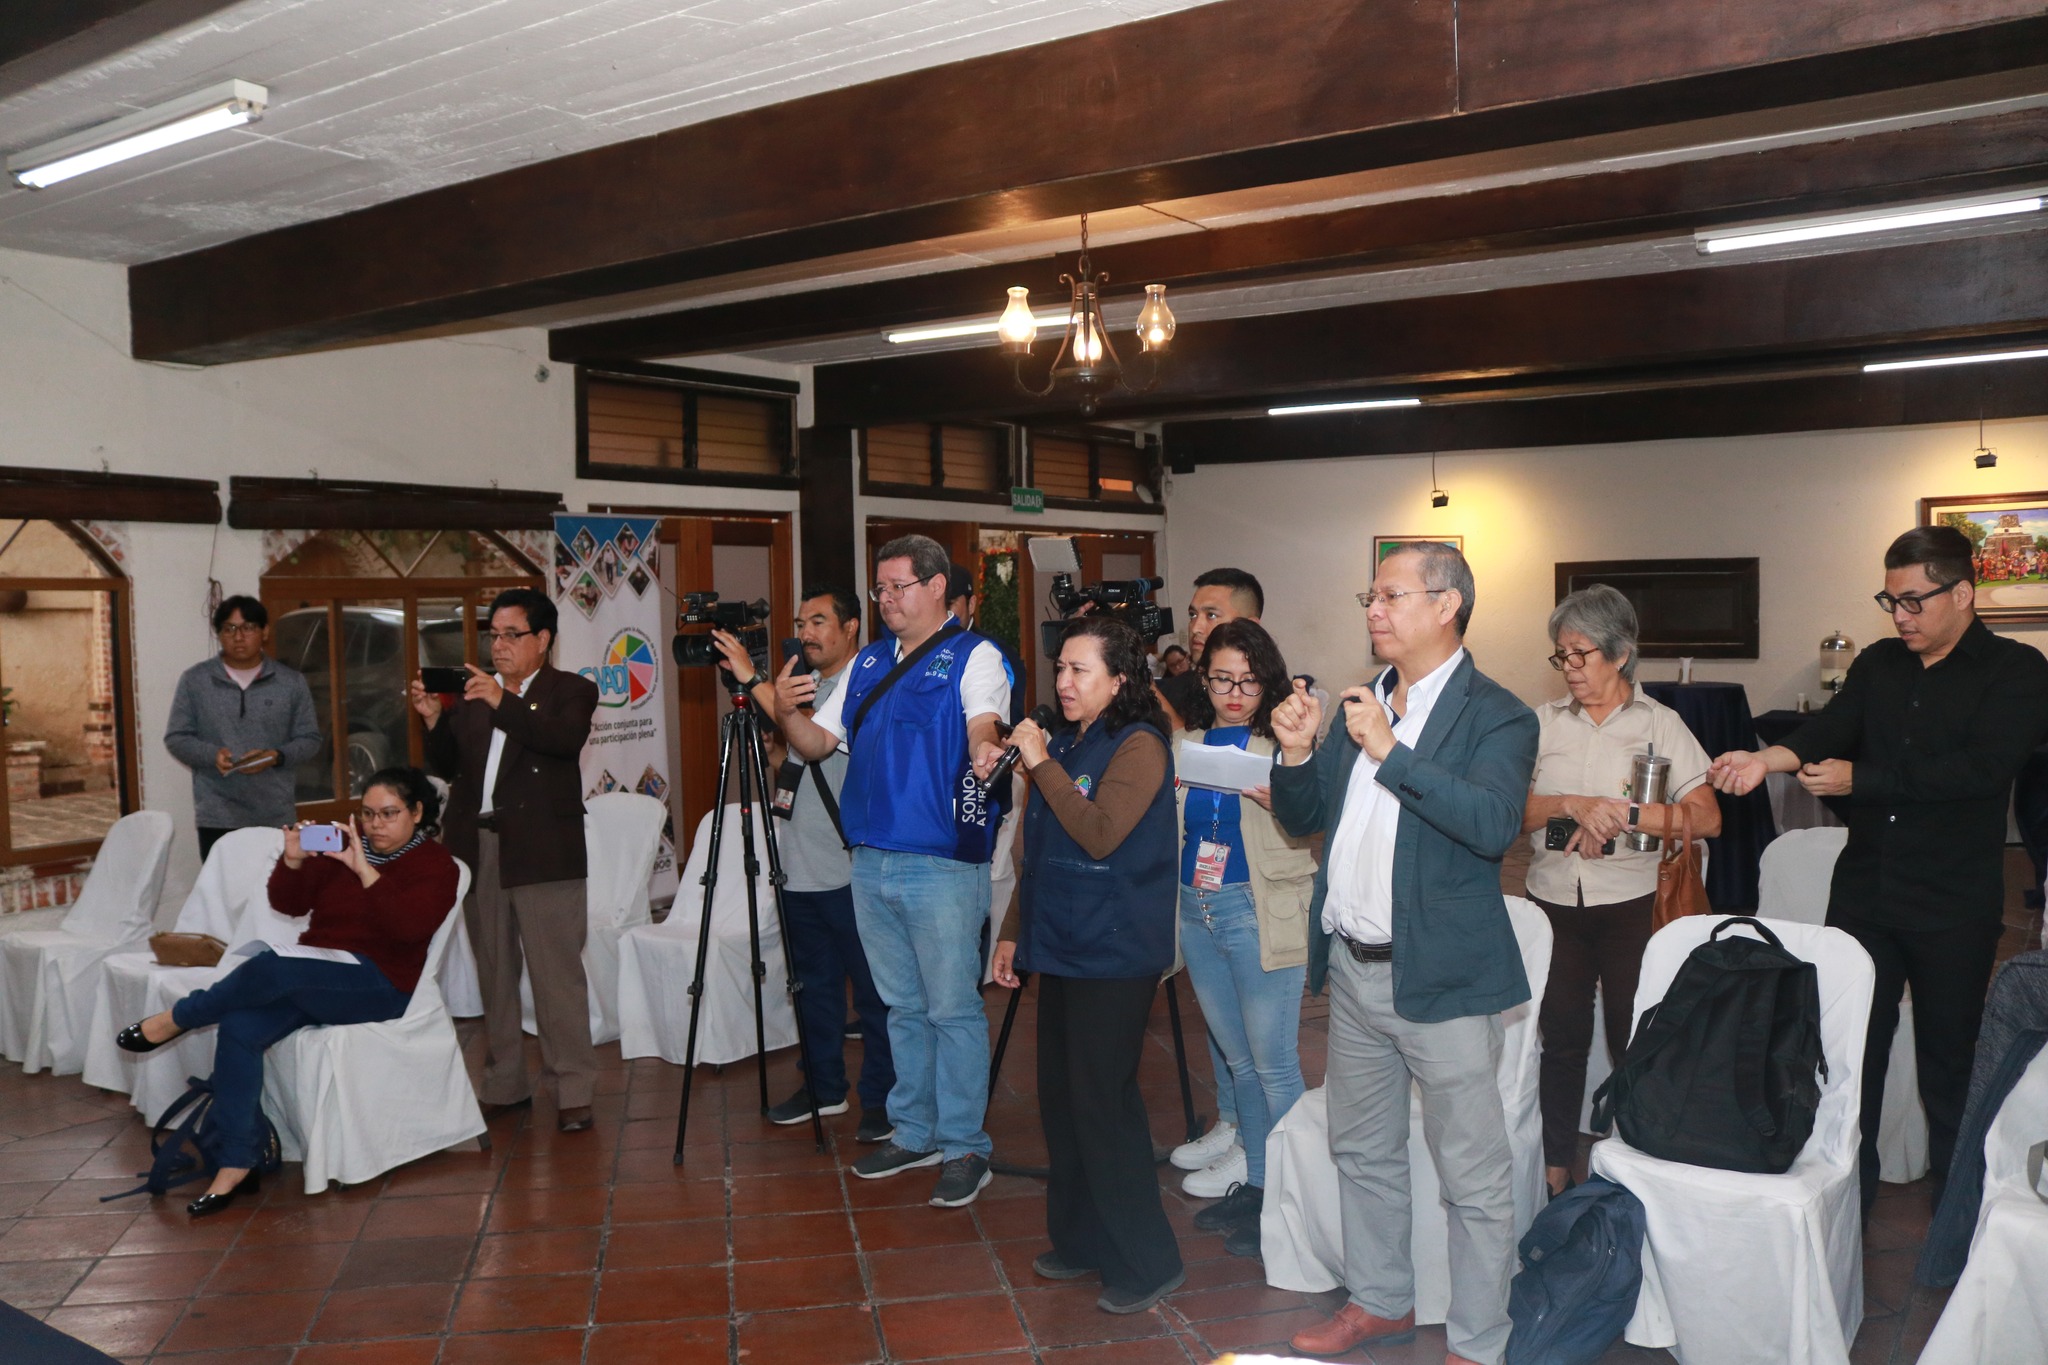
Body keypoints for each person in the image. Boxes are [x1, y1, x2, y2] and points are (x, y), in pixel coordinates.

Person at [1709, 525, 2048, 1214]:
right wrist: (1764, 760)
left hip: (1952, 902)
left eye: (1914, 601)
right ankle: (1847, 1209)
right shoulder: (1880, 664)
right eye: (1890, 600)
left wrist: (1861, 779)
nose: (1900, 616)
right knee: (1849, 1058)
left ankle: (1956, 1219)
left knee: (1950, 1064)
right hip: (1865, 892)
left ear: (1963, 594)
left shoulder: (2017, 669)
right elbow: (1830, 728)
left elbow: (1979, 771)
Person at [1271, 541, 1536, 1365]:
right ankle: (1382, 1300)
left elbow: (1492, 824)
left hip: (1442, 977)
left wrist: (1391, 751)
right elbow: (1306, 818)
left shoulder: (1499, 714)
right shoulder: (1365, 700)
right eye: (1371, 597)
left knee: (1473, 1175)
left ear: (1447, 605)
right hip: (1354, 969)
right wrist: (1296, 751)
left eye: (1391, 595)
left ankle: (1479, 1342)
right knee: (1361, 1148)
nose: (1374, 610)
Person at [775, 534, 1011, 1207]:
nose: (885, 599)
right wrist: (784, 706)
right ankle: (915, 1130)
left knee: (951, 1007)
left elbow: (983, 721)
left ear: (936, 587)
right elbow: (817, 743)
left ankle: (965, 1146)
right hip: (869, 860)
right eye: (879, 588)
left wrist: (986, 746)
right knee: (900, 1006)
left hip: (940, 861)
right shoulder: (870, 661)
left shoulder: (975, 655)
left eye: (898, 586)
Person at [115, 767, 459, 1217]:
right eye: (368, 813)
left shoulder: (435, 865)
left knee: (272, 967)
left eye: (389, 814)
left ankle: (178, 1018)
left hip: (379, 984)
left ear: (416, 812)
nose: (375, 825)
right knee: (239, 1026)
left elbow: (408, 928)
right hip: (316, 975)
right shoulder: (344, 847)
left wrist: (364, 871)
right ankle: (237, 1162)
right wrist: (294, 860)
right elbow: (289, 904)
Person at [987, 615, 1185, 1313]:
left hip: (1116, 950)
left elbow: (1099, 833)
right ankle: (1080, 1241)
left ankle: (1147, 1260)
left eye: (1080, 670)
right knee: (1063, 1100)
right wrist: (1013, 932)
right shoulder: (1070, 741)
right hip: (1063, 942)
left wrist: (1039, 764)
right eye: (1061, 668)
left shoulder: (1140, 745)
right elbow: (1039, 851)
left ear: (1120, 679)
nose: (1064, 682)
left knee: (1103, 1104)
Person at [1521, 585, 1720, 1197]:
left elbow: (1707, 817)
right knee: (1560, 1040)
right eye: (1562, 655)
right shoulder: (1542, 723)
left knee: (1631, 1037)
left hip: (1633, 903)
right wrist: (1572, 808)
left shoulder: (1660, 724)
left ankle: (1631, 1170)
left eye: (1581, 654)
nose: (1570, 668)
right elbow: (1511, 813)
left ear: (1620, 654)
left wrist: (1624, 813)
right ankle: (1555, 1170)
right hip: (1554, 900)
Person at [412, 587, 600, 1134]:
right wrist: (433, 720)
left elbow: (560, 739)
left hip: (543, 850)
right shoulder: (477, 695)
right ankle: (505, 1083)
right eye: (493, 635)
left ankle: (573, 1090)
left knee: (555, 977)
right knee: (494, 971)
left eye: (511, 635)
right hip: (480, 846)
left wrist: (502, 700)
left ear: (542, 640)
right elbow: (451, 765)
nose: (498, 646)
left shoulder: (572, 690)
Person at [714, 586, 895, 1144]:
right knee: (812, 989)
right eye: (799, 623)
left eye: (819, 621)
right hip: (796, 867)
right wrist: (768, 742)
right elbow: (792, 758)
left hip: (849, 870)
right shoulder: (799, 686)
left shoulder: (863, 684)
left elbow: (815, 737)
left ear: (851, 627)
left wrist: (753, 678)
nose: (806, 633)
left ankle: (884, 1100)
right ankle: (823, 1086)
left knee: (873, 996)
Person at [1173, 619, 1317, 1258]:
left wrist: (1282, 798)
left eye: (1249, 681)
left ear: (1269, 682)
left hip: (1257, 909)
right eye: (1222, 680)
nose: (1235, 694)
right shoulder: (1187, 743)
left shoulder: (1286, 745)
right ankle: (1259, 1185)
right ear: (1203, 681)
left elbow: (1316, 823)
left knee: (1273, 1065)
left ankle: (1292, 1200)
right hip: (1196, 908)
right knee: (1239, 1063)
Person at [1155, 565, 1267, 1193]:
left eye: (1212, 615)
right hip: (1199, 889)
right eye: (1194, 614)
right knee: (1223, 1022)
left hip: (1249, 894)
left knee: (1259, 1039)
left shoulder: (1277, 707)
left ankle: (1257, 1146)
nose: (1196, 626)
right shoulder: (1193, 691)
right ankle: (1231, 1120)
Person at [163, 595, 321, 859]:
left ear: (264, 632)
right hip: (217, 815)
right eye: (230, 628)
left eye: (248, 627)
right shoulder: (196, 680)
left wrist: (276, 756)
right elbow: (177, 737)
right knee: (222, 885)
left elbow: (310, 739)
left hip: (275, 813)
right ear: (219, 634)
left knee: (276, 883)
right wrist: (211, 755)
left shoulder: (291, 682)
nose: (238, 637)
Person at [948, 561, 1026, 725]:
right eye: (935, 604)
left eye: (949, 604)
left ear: (971, 605)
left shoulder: (997, 653)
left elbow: (1009, 725)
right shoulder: (918, 649)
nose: (942, 612)